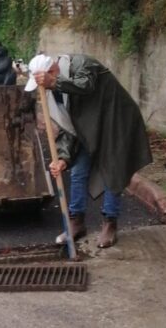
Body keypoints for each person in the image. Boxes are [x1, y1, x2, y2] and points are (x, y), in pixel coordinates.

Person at [25, 53, 152, 249]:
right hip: (88, 129)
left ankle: (110, 222)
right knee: (78, 170)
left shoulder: (83, 64)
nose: (44, 89)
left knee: (112, 170)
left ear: (52, 71)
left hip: (115, 121)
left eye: (44, 83)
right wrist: (63, 159)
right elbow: (69, 130)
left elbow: (86, 86)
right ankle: (76, 222)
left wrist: (56, 82)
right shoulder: (53, 95)